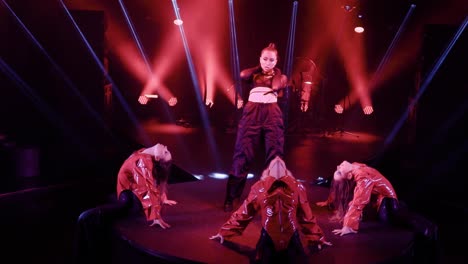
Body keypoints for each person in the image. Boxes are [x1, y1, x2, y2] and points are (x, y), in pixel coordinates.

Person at [211, 156, 331, 263]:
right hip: (268, 238)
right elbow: (245, 212)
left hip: (291, 237)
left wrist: (317, 237)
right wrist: (224, 231)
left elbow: (306, 215)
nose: (277, 161)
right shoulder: (259, 188)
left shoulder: (297, 187)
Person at [224, 43, 289, 212]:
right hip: (252, 112)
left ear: (276, 61)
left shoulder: (281, 77)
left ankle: (273, 199)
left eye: (271, 60)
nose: (268, 62)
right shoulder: (253, 75)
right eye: (265, 59)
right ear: (260, 59)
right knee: (242, 153)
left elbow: (275, 86)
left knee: (275, 156)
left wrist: (277, 70)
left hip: (272, 114)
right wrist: (259, 67)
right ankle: (232, 198)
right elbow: (242, 74)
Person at [316, 160, 437, 238]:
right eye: (339, 171)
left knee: (393, 216)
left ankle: (428, 228)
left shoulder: (360, 173)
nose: (338, 167)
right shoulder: (356, 169)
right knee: (383, 216)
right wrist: (329, 202)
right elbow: (345, 191)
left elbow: (359, 200)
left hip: (387, 198)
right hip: (380, 197)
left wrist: (349, 225)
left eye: (338, 170)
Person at [116, 143, 177, 229]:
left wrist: (156, 216)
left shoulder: (142, 161)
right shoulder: (143, 153)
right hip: (127, 192)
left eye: (165, 152)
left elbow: (146, 189)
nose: (166, 147)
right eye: (167, 151)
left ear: (157, 158)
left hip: (129, 196)